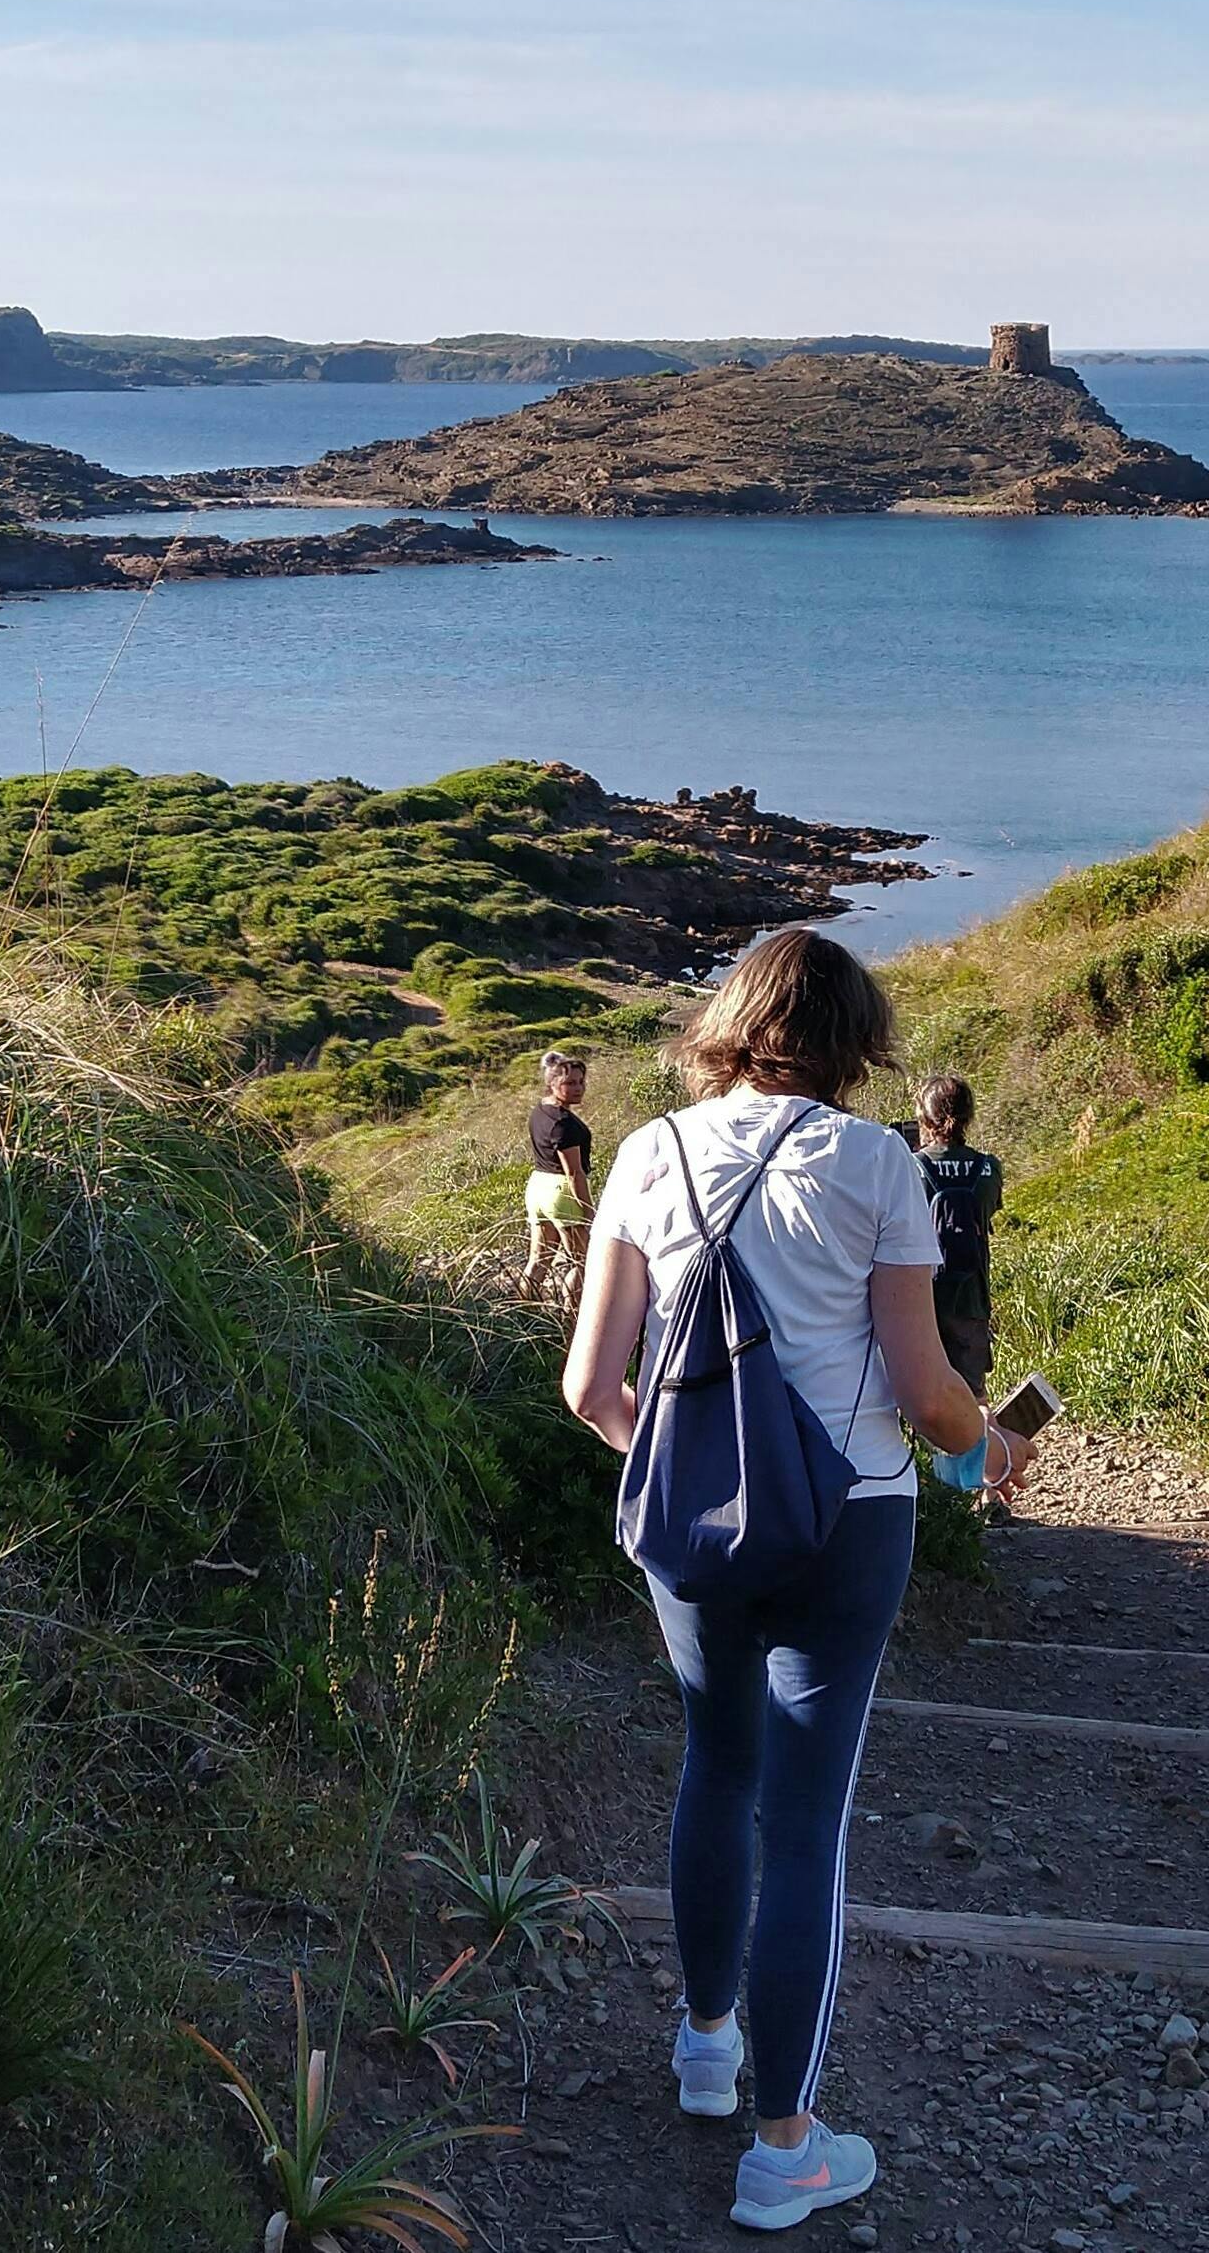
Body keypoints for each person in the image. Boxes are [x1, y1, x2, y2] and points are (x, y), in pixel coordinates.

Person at [562, 928, 1040, 2234]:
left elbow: (589, 1388)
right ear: (849, 1040)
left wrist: (696, 1471)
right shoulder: (876, 1160)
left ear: (729, 1023)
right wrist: (983, 1444)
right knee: (806, 1819)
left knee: (712, 1767)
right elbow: (922, 1384)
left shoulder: (646, 1153)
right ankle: (784, 2149)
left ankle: (705, 2044)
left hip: (688, 1530)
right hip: (848, 1525)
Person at [909, 1074, 1009, 1499]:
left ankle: (934, 1493)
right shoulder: (988, 1168)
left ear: (923, 1116)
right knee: (975, 1395)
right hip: (972, 1297)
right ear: (969, 1115)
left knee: (922, 1393)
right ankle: (989, 1488)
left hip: (920, 1299)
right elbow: (987, 1214)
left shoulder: (914, 1166)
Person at [523, 1048, 596, 1306]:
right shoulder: (565, 1125)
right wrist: (588, 1211)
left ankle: (523, 1310)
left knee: (539, 1258)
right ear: (552, 1084)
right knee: (580, 1260)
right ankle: (570, 1318)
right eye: (569, 1083)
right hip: (562, 1192)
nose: (578, 1088)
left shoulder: (541, 1110)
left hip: (537, 1187)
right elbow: (574, 1172)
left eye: (580, 1082)